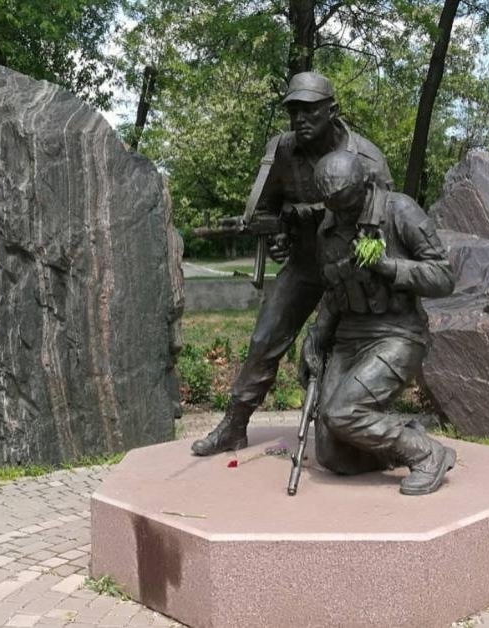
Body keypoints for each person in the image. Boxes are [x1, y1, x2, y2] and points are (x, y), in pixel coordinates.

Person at [191, 72, 392, 456]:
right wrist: (280, 235)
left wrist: (316, 217)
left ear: (332, 111)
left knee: (348, 353)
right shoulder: (282, 150)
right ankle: (234, 424)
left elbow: (386, 222)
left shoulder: (367, 159)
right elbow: (264, 210)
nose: (299, 119)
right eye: (293, 110)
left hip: (351, 272)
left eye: (309, 110)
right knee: (265, 338)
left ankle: (358, 429)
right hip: (303, 265)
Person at [299, 150, 457, 495]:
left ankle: (427, 454)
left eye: (346, 204)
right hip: (347, 337)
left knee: (342, 412)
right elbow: (332, 290)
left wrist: (390, 267)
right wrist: (316, 335)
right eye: (332, 207)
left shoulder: (399, 210)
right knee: (332, 454)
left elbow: (444, 277)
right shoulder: (328, 228)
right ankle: (403, 438)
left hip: (397, 334)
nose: (339, 215)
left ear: (365, 187)